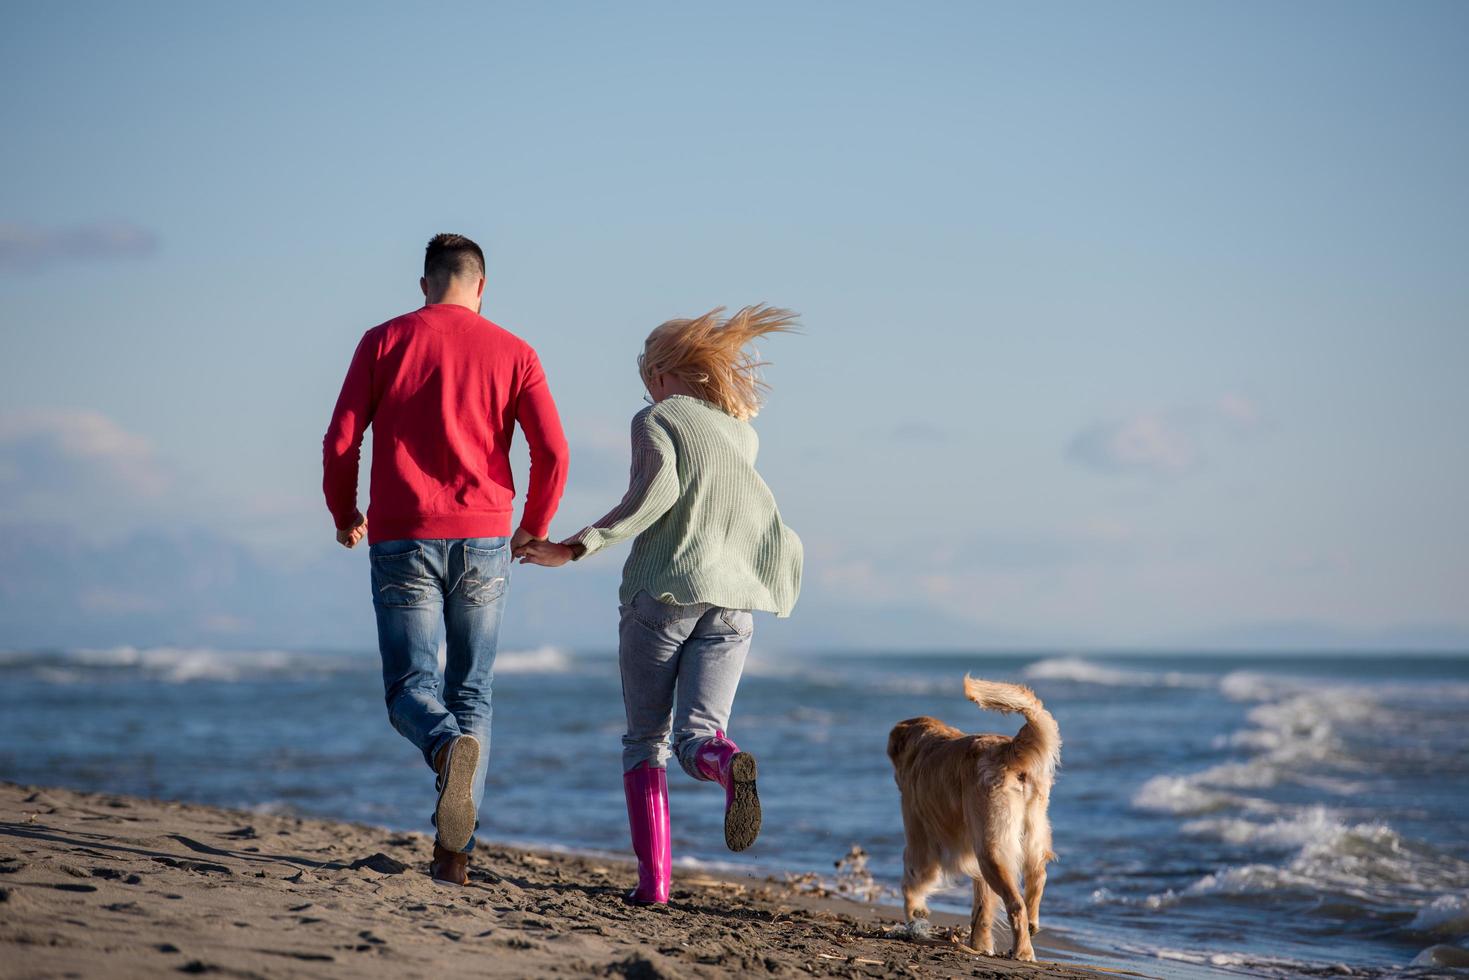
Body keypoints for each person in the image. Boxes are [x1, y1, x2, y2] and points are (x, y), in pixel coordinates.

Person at [516, 305, 802, 905]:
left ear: (669, 373)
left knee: (645, 741)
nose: (645, 382)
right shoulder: (741, 433)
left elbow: (655, 494)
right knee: (700, 735)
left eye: (648, 370)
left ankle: (656, 886)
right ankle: (727, 765)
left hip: (664, 596)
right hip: (734, 606)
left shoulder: (657, 418)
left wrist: (575, 547)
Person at [322, 233, 569, 885]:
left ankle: (440, 747)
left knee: (411, 688)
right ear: (480, 286)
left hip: (401, 535)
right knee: (472, 691)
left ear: (426, 283)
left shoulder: (383, 341)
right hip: (485, 538)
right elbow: (554, 452)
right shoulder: (515, 352)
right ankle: (453, 856)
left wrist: (343, 512)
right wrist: (533, 528)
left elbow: (340, 440)